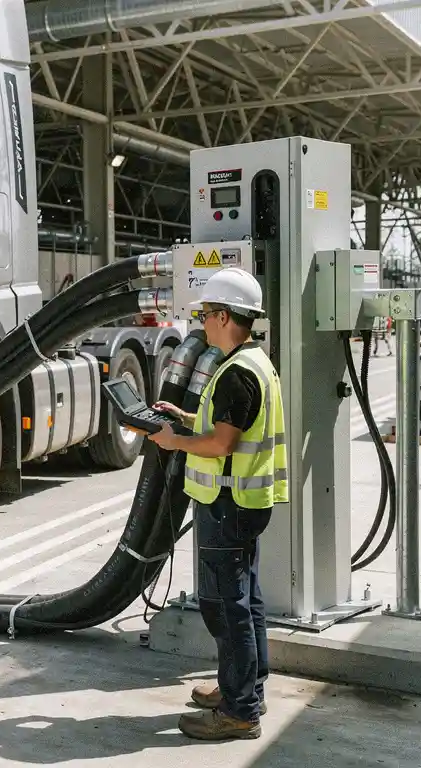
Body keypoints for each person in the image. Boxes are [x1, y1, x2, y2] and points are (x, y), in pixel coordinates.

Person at [147, 267, 288, 742]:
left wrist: (174, 441)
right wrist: (185, 417)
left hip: (227, 503)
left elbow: (221, 444)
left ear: (225, 316)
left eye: (205, 313)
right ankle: (246, 690)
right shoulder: (254, 362)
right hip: (246, 501)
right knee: (246, 600)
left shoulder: (235, 373)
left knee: (227, 608)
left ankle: (239, 712)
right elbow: (229, 424)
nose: (201, 322)